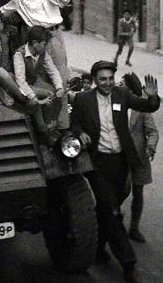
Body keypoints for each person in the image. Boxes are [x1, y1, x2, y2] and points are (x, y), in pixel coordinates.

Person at [71, 61, 160, 283]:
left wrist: (152, 97)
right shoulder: (83, 100)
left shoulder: (121, 95)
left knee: (109, 207)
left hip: (121, 162)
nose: (108, 83)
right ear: (94, 80)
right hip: (98, 163)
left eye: (111, 78)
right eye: (103, 79)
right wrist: (80, 133)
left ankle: (99, 247)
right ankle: (129, 264)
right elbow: (75, 124)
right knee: (112, 210)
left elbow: (147, 106)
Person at [1, 0, 71, 131]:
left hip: (52, 36)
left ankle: (62, 124)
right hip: (33, 40)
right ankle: (45, 123)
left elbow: (64, 0)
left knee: (59, 77)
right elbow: (2, 11)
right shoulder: (19, 0)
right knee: (39, 79)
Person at [121, 72, 159, 244]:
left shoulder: (140, 107)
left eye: (122, 84)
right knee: (119, 190)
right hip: (119, 156)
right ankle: (111, 220)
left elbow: (152, 131)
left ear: (130, 89)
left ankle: (134, 228)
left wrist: (151, 146)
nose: (118, 86)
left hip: (138, 156)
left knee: (138, 192)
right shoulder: (114, 103)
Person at [13, 27, 65, 143]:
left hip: (33, 85)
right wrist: (34, 97)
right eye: (44, 44)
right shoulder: (19, 54)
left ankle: (50, 126)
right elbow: (20, 81)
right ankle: (43, 131)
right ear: (35, 43)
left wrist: (59, 87)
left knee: (53, 93)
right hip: (21, 89)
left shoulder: (43, 54)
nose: (46, 47)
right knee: (41, 99)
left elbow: (53, 71)